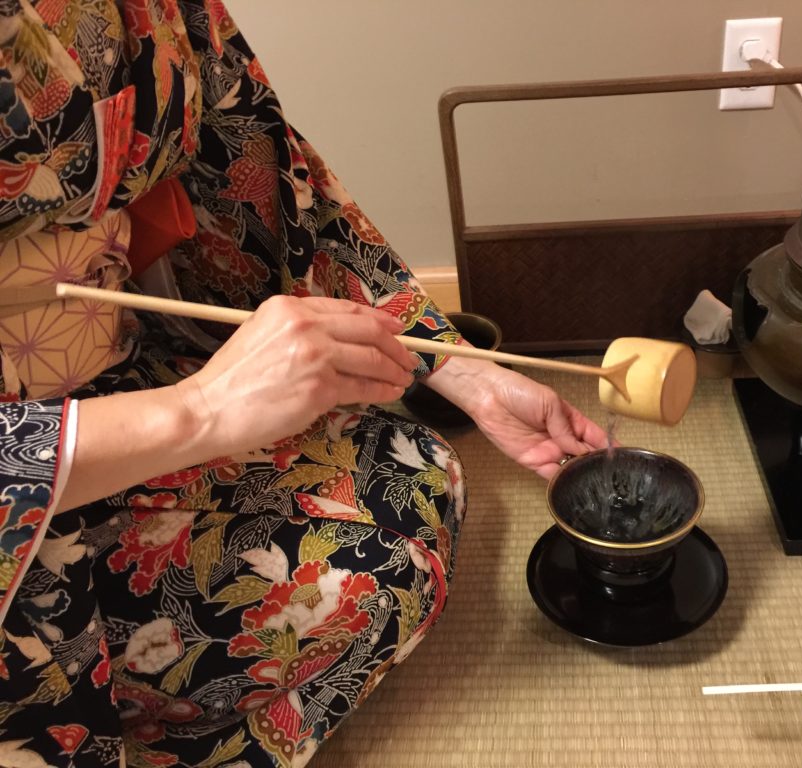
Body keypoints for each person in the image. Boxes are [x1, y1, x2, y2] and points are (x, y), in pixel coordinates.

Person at [0, 2, 608, 766]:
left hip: (117, 374)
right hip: (30, 502)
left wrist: (462, 370)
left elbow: (251, 164)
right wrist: (199, 410)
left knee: (411, 490)